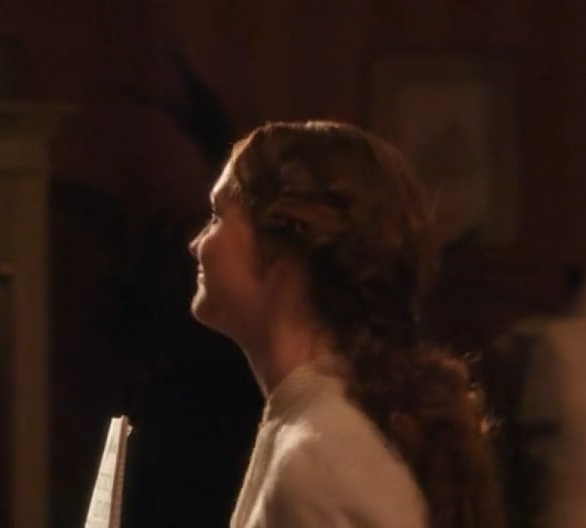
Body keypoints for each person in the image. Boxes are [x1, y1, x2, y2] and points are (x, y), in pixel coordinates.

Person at [188, 120, 504, 527]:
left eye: (217, 216)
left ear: (287, 246)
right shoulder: (308, 426)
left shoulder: (318, 455)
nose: (196, 244)